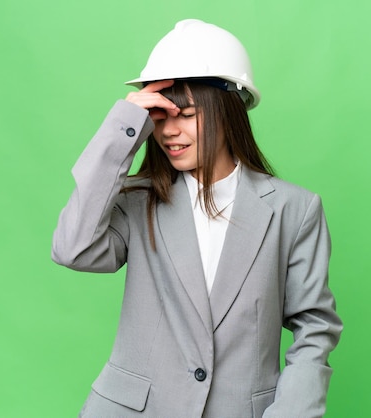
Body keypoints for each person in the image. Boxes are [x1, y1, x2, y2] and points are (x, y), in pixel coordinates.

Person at [52, 19, 342, 418]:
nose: (169, 131)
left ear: (228, 112)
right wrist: (123, 127)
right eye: (159, 116)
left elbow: (315, 329)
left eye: (185, 114)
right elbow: (73, 249)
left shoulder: (294, 209)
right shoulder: (138, 200)